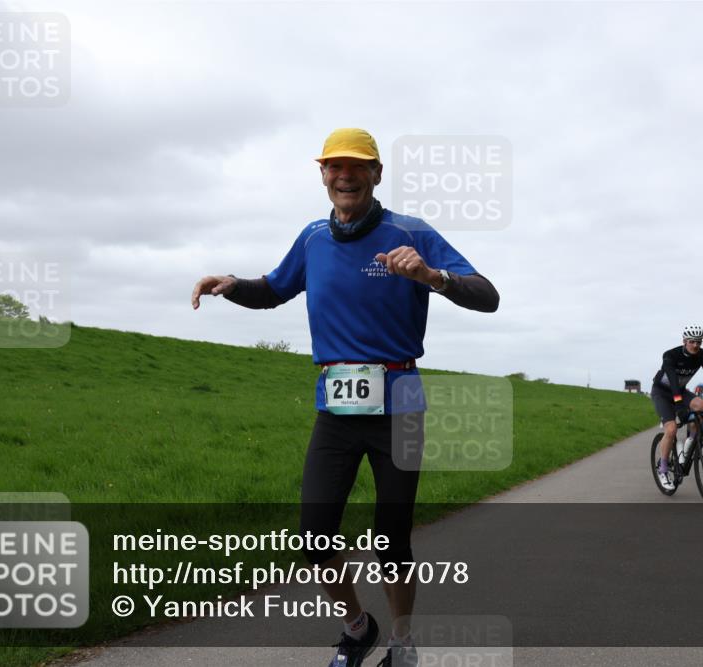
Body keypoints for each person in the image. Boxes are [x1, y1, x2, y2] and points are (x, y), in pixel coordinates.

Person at [191, 128, 499, 667]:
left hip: (399, 403)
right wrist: (232, 284)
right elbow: (275, 289)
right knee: (312, 539)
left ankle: (402, 645)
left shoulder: (413, 232)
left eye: (357, 166)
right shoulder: (313, 237)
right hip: (336, 409)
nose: (344, 176)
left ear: (377, 174)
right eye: (334, 167)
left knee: (391, 542)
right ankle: (359, 629)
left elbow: (488, 296)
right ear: (323, 176)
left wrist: (432, 277)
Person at [650, 325, 703, 491]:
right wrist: (678, 405)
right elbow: (672, 379)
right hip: (662, 393)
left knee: (701, 405)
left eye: (698, 342)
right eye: (692, 342)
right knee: (671, 430)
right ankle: (663, 469)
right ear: (684, 341)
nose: (695, 345)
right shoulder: (670, 355)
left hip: (681, 391)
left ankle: (689, 443)